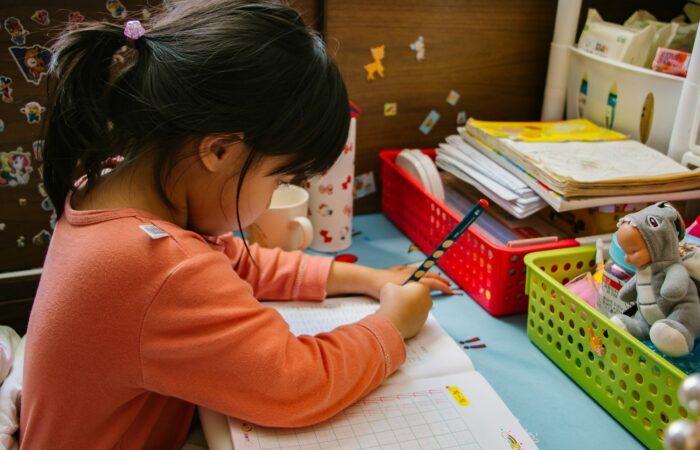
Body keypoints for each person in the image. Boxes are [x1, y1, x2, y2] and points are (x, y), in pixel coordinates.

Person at [20, 1, 451, 448]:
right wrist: (391, 326)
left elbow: (231, 262)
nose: (273, 198)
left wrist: (365, 277)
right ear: (219, 151)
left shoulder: (110, 184)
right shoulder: (158, 265)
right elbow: (294, 383)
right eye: (280, 178)